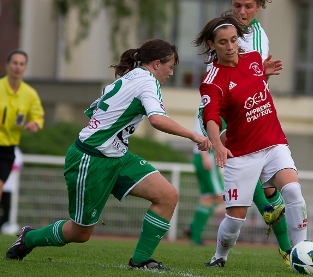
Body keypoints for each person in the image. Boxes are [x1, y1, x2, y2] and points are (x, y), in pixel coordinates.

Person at [6, 39, 212, 270]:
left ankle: (141, 260)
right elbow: (156, 119)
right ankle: (29, 238)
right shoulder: (146, 81)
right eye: (170, 66)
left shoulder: (133, 76)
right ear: (156, 64)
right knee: (80, 233)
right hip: (91, 158)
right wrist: (193, 136)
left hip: (116, 156)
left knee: (168, 195)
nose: (172, 72)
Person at [194, 12, 308, 267]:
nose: (230, 46)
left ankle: (301, 254)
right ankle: (219, 257)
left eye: (233, 40)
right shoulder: (212, 80)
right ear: (212, 45)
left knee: (292, 191)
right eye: (223, 42)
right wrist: (219, 145)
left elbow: (255, 88)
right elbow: (210, 117)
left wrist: (264, 74)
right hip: (242, 152)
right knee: (235, 218)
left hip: (273, 142)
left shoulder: (255, 59)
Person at [229, 0, 294, 265]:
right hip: (221, 104)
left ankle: (288, 248)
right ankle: (287, 248)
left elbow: (252, 80)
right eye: (237, 5)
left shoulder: (255, 37)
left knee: (264, 189)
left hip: (246, 109)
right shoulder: (223, 29)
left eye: (248, 6)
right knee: (263, 190)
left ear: (259, 7)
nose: (242, 12)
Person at [0, 49, 44, 202]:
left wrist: (35, 124)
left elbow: (38, 116)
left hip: (7, 149)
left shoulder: (30, 94)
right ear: (7, 65)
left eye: (21, 64)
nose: (17, 67)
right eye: (14, 63)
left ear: (25, 68)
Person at [183, 112, 224, 245]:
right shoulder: (207, 107)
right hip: (206, 156)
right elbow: (200, 133)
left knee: (208, 197)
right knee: (220, 196)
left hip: (204, 157)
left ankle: (193, 231)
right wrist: (205, 156)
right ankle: (194, 231)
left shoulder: (210, 105)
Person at [0, 147, 22, 232]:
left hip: (9, 186)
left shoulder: (15, 151)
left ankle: (3, 225)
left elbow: (18, 164)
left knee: (6, 208)